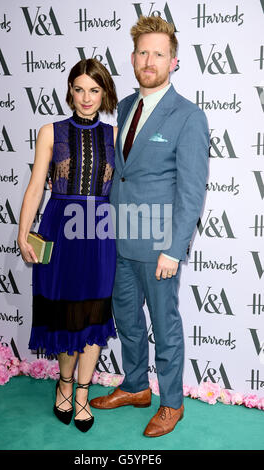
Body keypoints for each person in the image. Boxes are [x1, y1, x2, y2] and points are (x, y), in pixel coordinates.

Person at [90, 16, 209, 437]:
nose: (149, 60)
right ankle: (136, 386)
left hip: (160, 244)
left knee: (165, 323)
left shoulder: (188, 116)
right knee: (127, 320)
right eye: (143, 52)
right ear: (133, 57)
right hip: (119, 239)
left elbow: (192, 192)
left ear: (173, 61)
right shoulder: (124, 107)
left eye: (158, 53)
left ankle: (171, 403)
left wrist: (175, 248)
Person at [17, 58, 118, 432]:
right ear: (70, 91)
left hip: (100, 231)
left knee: (94, 313)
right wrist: (22, 231)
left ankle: (83, 394)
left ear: (104, 93)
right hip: (60, 228)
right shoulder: (50, 131)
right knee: (64, 312)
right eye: (79, 89)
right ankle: (64, 382)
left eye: (94, 90)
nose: (86, 97)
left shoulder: (115, 134)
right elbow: (34, 188)